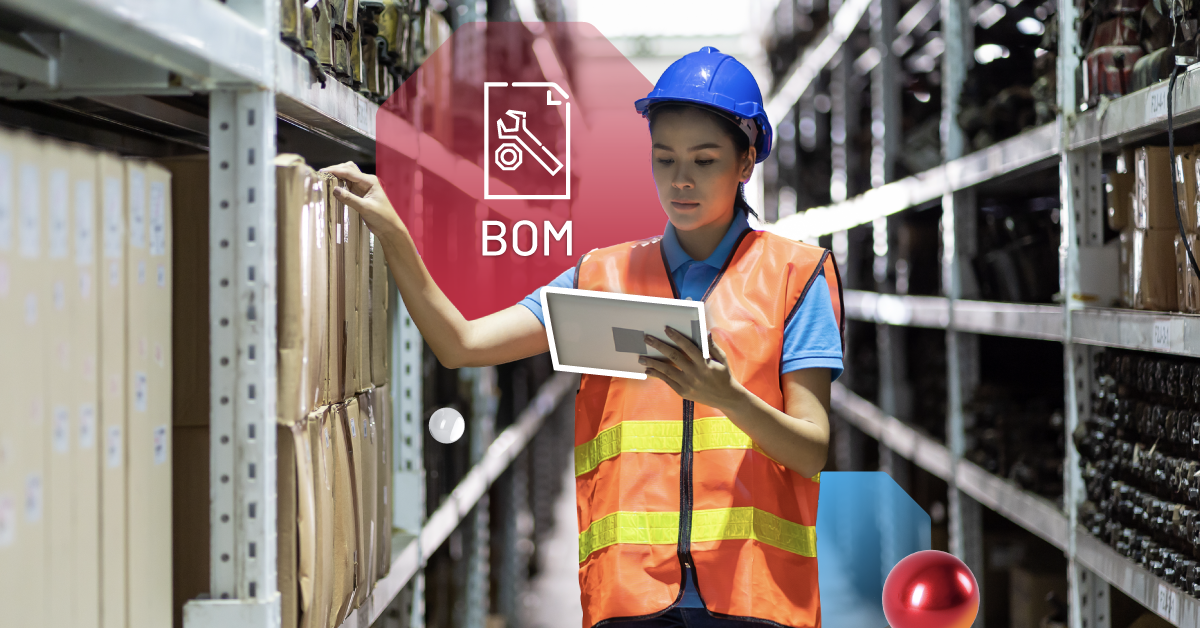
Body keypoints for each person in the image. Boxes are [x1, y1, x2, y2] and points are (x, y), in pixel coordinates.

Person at [324, 46, 843, 628]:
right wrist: (395, 233)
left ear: (746, 162)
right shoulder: (601, 276)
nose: (681, 180)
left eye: (705, 160)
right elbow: (462, 344)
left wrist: (725, 395)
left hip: (757, 599)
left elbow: (810, 448)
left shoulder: (795, 276)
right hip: (631, 600)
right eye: (664, 158)